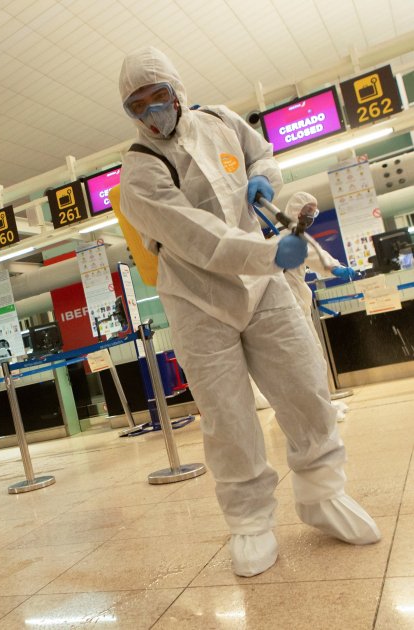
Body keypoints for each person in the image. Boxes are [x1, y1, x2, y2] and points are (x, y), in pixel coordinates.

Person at [118, 46, 380, 577]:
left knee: (304, 385)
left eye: (157, 96)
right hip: (197, 297)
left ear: (177, 90)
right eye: (137, 105)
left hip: (263, 287)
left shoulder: (219, 120)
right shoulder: (138, 170)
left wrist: (264, 178)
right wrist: (269, 254)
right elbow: (197, 237)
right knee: (228, 415)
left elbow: (260, 155)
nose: (151, 112)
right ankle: (250, 522)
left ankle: (322, 493)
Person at [280, 191, 357, 420]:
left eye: (314, 211)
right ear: (297, 210)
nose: (311, 215)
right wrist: (336, 268)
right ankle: (317, 410)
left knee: (311, 357)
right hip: (290, 309)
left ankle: (322, 404)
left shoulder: (291, 234)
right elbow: (317, 256)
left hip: (296, 307)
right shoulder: (289, 236)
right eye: (308, 210)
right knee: (306, 359)